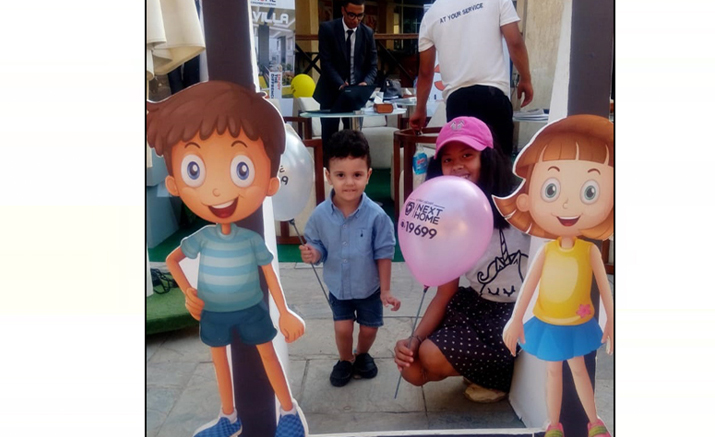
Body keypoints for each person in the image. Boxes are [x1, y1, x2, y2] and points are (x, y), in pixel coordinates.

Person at [147, 81, 308, 437]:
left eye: (241, 169)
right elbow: (172, 261)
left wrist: (284, 311)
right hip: (214, 310)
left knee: (267, 353)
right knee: (219, 360)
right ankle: (228, 415)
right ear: (174, 184)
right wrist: (188, 292)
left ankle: (288, 412)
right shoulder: (203, 238)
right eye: (194, 170)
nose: (218, 189)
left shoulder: (250, 240)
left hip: (251, 308)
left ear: (270, 183)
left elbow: (269, 271)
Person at [393, 117, 530, 402]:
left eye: (468, 155)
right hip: (478, 307)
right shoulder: (450, 216)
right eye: (448, 159)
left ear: (487, 158)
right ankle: (482, 369)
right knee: (413, 369)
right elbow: (445, 292)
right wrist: (414, 339)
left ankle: (502, 378)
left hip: (518, 312)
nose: (457, 166)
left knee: (431, 355)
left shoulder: (521, 205)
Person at [495, 115, 614, 437]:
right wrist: (515, 319)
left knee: (579, 370)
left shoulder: (589, 251)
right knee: (553, 372)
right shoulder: (547, 251)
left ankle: (594, 421)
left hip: (577, 322)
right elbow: (529, 286)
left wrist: (611, 320)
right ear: (526, 198)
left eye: (590, 191)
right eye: (551, 189)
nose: (567, 203)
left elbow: (605, 289)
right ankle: (554, 424)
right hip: (548, 322)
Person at [299, 130, 401, 387]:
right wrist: (314, 253)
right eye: (340, 175)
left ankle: (362, 354)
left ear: (368, 175)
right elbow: (318, 245)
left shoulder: (377, 216)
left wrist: (385, 290)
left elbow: (384, 253)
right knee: (342, 328)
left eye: (357, 175)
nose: (349, 183)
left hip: (370, 288)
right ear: (328, 176)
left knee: (369, 328)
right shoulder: (320, 215)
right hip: (339, 287)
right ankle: (345, 359)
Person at [409, 0, 534, 158]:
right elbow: (515, 42)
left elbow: (425, 72)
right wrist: (525, 78)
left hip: (457, 102)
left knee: (463, 167)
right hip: (492, 96)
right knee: (499, 165)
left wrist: (420, 110)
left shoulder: (431, 15)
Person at [312, 0, 378, 151]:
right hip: (331, 93)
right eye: (352, 15)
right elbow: (326, 63)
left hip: (355, 96)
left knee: (353, 141)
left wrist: (366, 83)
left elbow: (373, 66)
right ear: (343, 11)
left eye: (360, 15)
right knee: (330, 141)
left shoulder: (367, 33)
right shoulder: (328, 29)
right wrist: (341, 84)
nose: (356, 20)